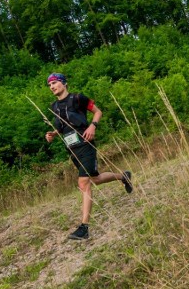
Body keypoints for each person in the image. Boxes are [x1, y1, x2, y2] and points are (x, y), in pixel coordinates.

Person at [44, 72, 132, 240]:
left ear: (63, 83)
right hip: (72, 148)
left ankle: (84, 228)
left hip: (86, 144)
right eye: (49, 85)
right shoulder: (54, 106)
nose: (52, 87)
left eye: (54, 83)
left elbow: (97, 112)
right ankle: (123, 177)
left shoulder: (78, 98)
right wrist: (53, 134)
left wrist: (93, 126)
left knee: (83, 183)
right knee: (95, 178)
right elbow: (63, 127)